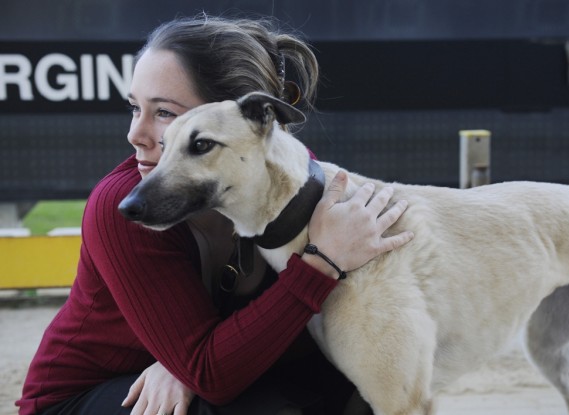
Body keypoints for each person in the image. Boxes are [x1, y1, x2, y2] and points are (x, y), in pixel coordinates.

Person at [17, 13, 413, 415]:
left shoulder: (293, 180)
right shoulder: (122, 207)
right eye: (134, 107)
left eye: (165, 113)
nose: (135, 134)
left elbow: (325, 329)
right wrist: (322, 263)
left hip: (230, 367)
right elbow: (211, 376)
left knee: (368, 380)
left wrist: (190, 363)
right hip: (87, 397)